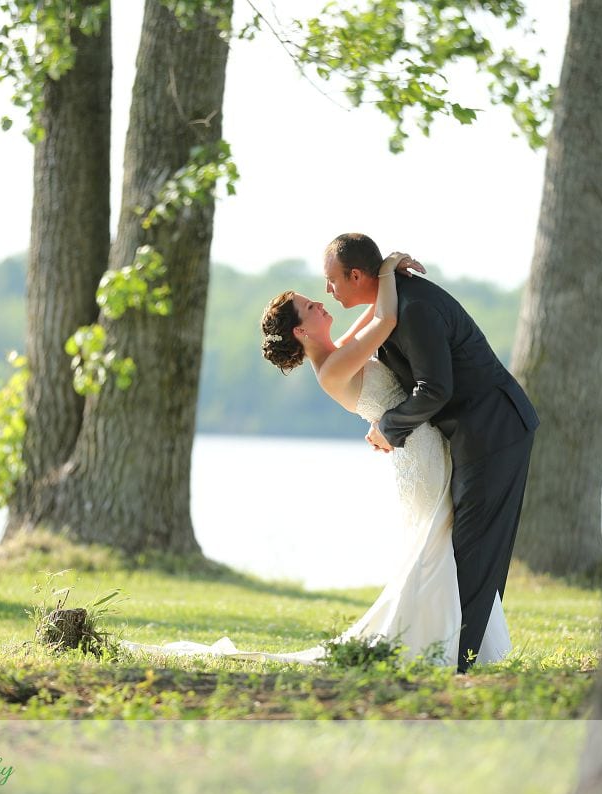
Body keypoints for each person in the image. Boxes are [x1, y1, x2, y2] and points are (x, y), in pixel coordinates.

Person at [121, 249, 511, 668]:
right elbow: (386, 320)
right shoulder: (331, 368)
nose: (320, 303)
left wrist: (384, 279)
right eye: (309, 307)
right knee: (436, 544)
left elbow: (374, 318)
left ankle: (449, 639)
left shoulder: (338, 352)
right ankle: (436, 642)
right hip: (419, 456)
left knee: (440, 542)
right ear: (302, 332)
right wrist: (384, 272)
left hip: (419, 449)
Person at [323, 233, 539, 673]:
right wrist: (389, 269)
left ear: (357, 275)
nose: (327, 290)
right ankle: (460, 656)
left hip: (494, 431)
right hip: (472, 435)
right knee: (466, 548)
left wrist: (389, 426)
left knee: (472, 551)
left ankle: (457, 662)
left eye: (331, 280)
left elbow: (435, 389)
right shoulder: (391, 303)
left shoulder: (414, 308)